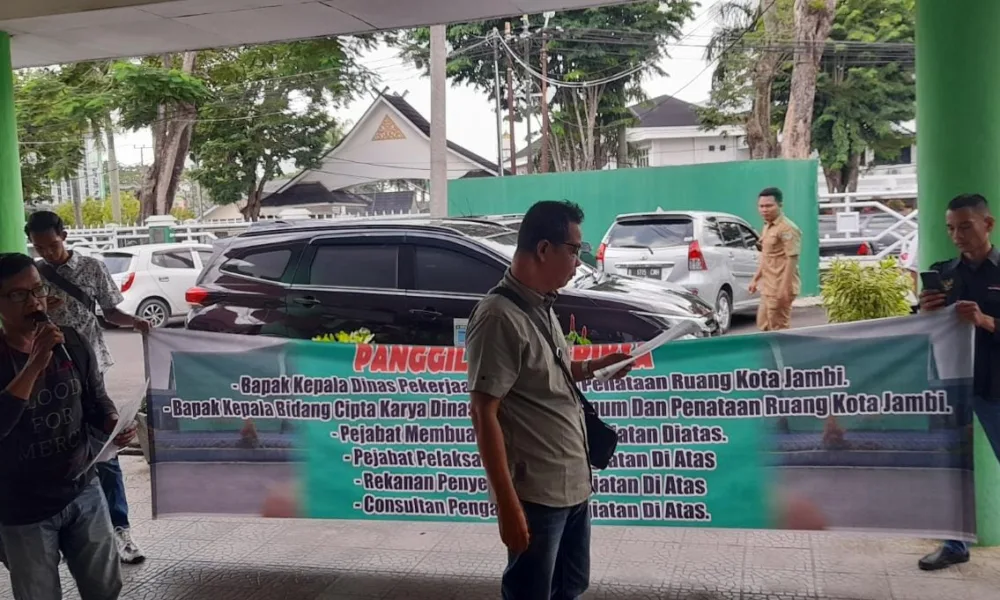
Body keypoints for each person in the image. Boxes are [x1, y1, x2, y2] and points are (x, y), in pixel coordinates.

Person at [464, 200, 632, 600]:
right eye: (574, 250)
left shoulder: (542, 304)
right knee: (532, 592)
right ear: (543, 249)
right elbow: (483, 413)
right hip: (536, 494)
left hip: (572, 483)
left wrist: (595, 367)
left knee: (570, 586)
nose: (578, 262)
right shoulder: (498, 317)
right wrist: (508, 507)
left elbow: (549, 373)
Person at [0, 252, 134, 600]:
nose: (34, 302)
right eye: (18, 295)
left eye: (37, 290)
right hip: (21, 505)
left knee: (105, 587)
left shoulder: (71, 341)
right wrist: (34, 364)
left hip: (82, 486)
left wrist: (113, 423)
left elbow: (96, 399)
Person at [25, 211, 150, 564]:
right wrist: (39, 308)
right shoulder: (33, 276)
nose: (47, 253)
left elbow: (110, 313)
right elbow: (20, 323)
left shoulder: (92, 268)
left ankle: (121, 530)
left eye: (52, 245)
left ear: (64, 236)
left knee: (105, 448)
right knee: (57, 447)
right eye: (39, 248)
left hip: (91, 369)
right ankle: (66, 531)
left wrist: (137, 322)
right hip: (48, 374)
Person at [917, 193, 1000, 571]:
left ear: (988, 224)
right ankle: (954, 544)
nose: (957, 236)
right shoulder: (944, 273)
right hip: (952, 383)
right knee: (951, 468)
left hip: (994, 385)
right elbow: (927, 330)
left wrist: (986, 321)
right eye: (951, 228)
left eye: (965, 227)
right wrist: (925, 312)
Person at [749, 187, 802, 331]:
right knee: (763, 325)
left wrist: (784, 289)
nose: (764, 210)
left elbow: (792, 259)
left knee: (779, 328)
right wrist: (755, 279)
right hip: (768, 286)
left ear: (780, 205)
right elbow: (766, 255)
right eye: (761, 206)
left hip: (780, 286)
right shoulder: (767, 226)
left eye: (769, 206)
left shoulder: (787, 228)